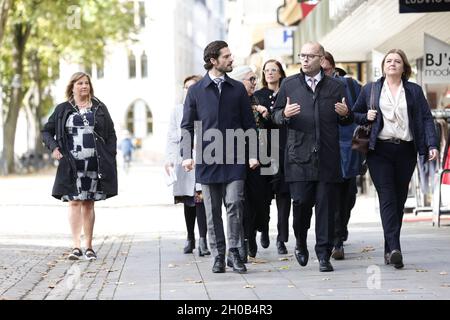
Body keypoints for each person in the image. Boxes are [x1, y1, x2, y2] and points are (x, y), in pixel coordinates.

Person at [352, 49, 438, 269]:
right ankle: (396, 247)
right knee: (388, 197)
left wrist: (432, 145)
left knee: (398, 201)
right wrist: (366, 116)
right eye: (388, 61)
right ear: (383, 66)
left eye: (397, 61)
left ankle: (389, 248)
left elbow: (426, 119)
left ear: (404, 67)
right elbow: (354, 114)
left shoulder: (414, 91)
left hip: (405, 150)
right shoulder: (371, 89)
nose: (392, 64)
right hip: (379, 150)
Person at [271, 42, 351, 272]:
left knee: (326, 209)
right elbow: (275, 116)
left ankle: (323, 254)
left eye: (310, 56)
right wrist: (283, 114)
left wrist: (346, 115)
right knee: (301, 204)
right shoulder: (289, 85)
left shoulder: (336, 86)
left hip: (327, 157)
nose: (305, 59)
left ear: (321, 58)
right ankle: (300, 242)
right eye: (302, 55)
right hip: (298, 157)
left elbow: (347, 117)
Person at [180, 40, 258, 274]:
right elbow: (186, 126)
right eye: (226, 56)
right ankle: (218, 254)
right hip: (207, 158)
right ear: (213, 60)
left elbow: (249, 125)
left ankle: (234, 252)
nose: (231, 59)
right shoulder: (195, 91)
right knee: (212, 210)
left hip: (235, 158)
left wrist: (253, 154)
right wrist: (186, 155)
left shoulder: (238, 89)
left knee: (234, 203)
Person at [42, 72, 118, 261]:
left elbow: (111, 134)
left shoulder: (99, 108)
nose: (84, 86)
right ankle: (76, 246)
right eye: (80, 83)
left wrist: (110, 154)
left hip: (94, 163)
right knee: (74, 202)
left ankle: (89, 246)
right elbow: (46, 131)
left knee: (88, 203)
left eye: (87, 83)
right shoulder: (63, 109)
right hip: (71, 164)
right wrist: (54, 148)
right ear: (72, 87)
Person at [321, 51, 363, 260]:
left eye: (326, 69)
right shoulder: (312, 88)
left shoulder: (349, 85)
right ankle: (336, 240)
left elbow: (361, 112)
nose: (324, 73)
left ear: (333, 68)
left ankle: (341, 227)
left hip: (347, 147)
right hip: (324, 149)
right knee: (331, 196)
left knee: (348, 195)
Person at [165, 75, 210, 257]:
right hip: (184, 160)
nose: (189, 90)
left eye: (193, 87)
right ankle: (190, 237)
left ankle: (203, 239)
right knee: (189, 201)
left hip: (203, 158)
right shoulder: (177, 110)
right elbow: (171, 136)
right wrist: (169, 159)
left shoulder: (205, 108)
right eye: (186, 87)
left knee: (201, 200)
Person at [230, 65, 272, 260]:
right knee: (243, 202)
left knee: (262, 200)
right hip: (240, 157)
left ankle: (259, 229)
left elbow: (272, 128)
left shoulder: (259, 99)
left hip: (263, 156)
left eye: (256, 79)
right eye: (251, 79)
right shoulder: (233, 102)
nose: (255, 83)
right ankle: (247, 239)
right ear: (239, 82)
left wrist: (266, 115)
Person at [254, 59, 290, 255]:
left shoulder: (287, 93)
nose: (269, 73)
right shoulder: (258, 96)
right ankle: (264, 229)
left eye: (273, 70)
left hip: (284, 149)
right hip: (265, 150)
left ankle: (282, 238)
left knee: (284, 195)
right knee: (265, 195)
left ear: (280, 73)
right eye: (266, 70)